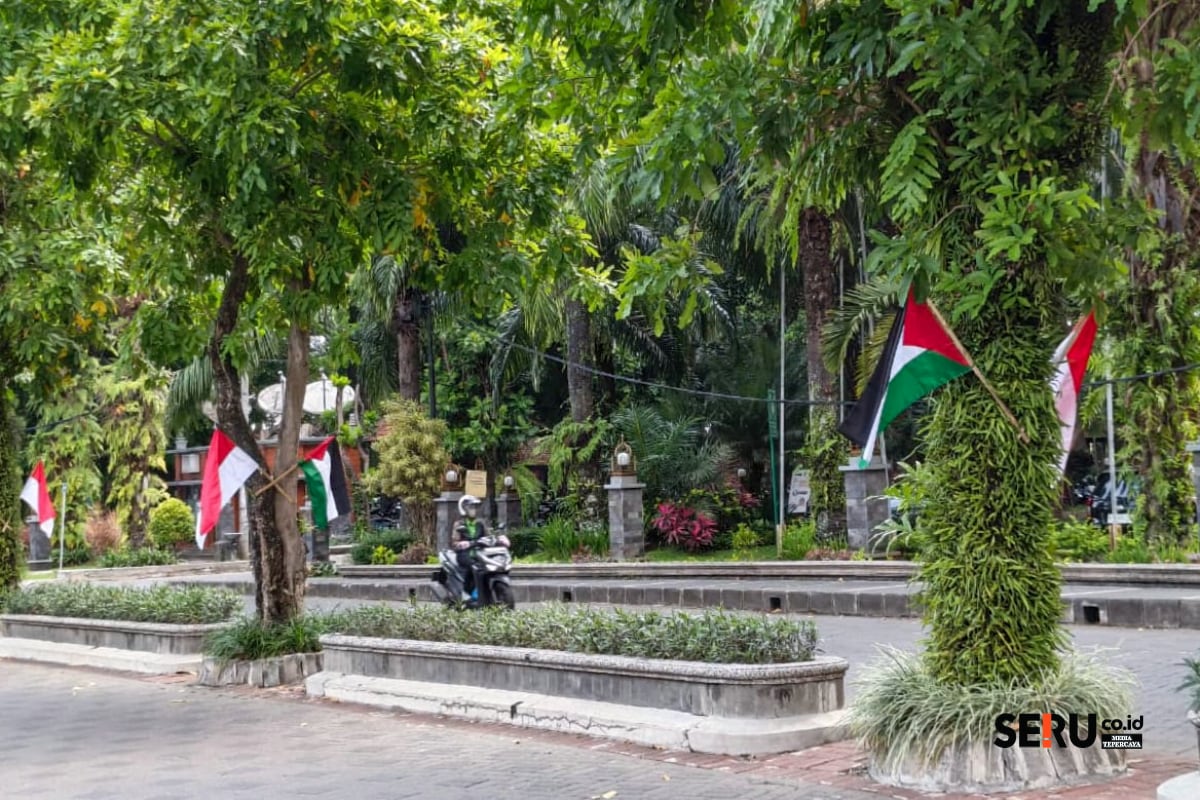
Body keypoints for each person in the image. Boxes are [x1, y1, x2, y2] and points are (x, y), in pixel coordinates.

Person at [452, 495, 488, 597]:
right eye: (471, 507)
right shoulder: (459, 524)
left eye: (475, 507)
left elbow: (489, 536)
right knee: (474, 566)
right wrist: (461, 544)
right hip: (464, 554)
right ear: (463, 509)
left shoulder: (481, 523)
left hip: (480, 553)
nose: (474, 510)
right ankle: (468, 593)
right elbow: (455, 542)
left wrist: (500, 539)